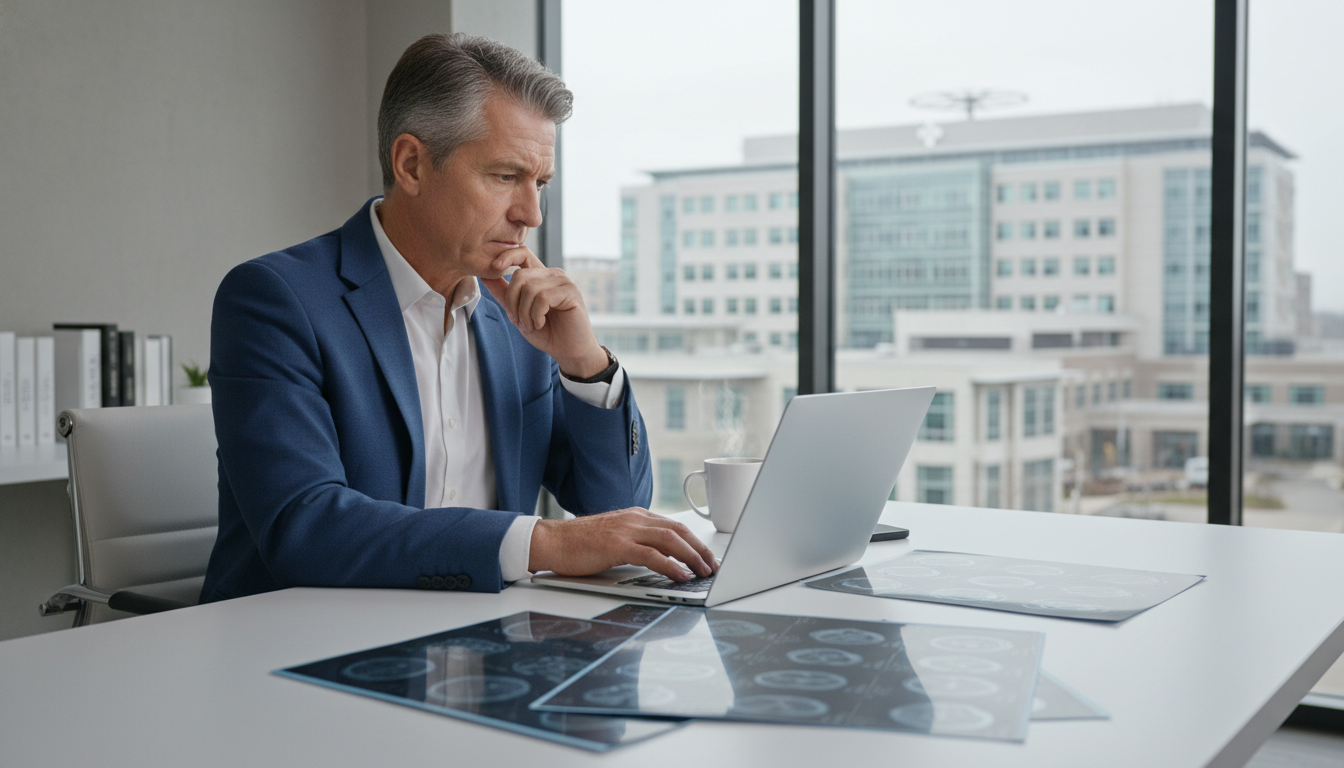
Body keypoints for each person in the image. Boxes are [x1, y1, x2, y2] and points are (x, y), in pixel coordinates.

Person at [200, 33, 715, 602]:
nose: (532, 214)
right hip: (298, 650)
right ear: (412, 163)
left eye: (540, 183)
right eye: (505, 177)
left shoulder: (521, 315)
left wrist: (584, 363)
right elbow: (304, 525)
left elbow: (616, 507)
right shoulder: (276, 300)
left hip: (483, 650)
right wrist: (545, 543)